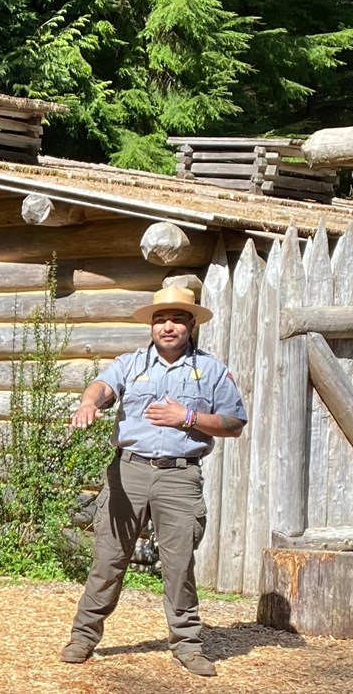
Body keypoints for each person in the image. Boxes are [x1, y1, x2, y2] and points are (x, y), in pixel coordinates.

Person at [61, 285, 246, 677]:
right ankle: (82, 637)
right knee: (108, 560)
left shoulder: (211, 370)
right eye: (161, 319)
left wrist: (190, 418)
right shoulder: (130, 364)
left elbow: (234, 423)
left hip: (179, 475)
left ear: (191, 324)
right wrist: (88, 402)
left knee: (179, 565)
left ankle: (188, 645)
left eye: (177, 319)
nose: (168, 326)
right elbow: (103, 386)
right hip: (128, 472)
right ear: (151, 325)